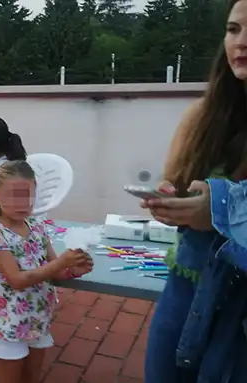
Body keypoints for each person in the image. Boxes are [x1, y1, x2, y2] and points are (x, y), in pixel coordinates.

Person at [138, 1, 247, 379]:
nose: (241, 42)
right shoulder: (203, 115)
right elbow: (176, 181)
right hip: (187, 285)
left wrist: (221, 212)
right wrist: (171, 201)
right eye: (233, 30)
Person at [0, 160, 92, 383]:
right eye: (14, 195)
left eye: (28, 195)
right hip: (8, 324)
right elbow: (17, 280)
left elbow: (54, 271)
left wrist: (73, 270)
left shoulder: (38, 226)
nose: (23, 203)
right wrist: (61, 264)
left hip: (37, 319)